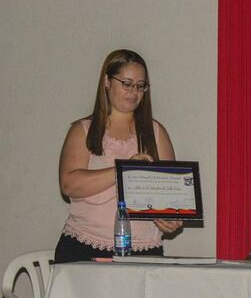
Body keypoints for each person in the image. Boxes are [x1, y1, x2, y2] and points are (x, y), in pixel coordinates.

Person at [54, 49, 182, 263]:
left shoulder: (156, 133)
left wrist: (172, 217)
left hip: (143, 250)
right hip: (85, 248)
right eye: (127, 83)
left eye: (141, 86)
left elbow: (172, 196)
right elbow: (69, 184)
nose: (134, 91)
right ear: (107, 81)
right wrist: (124, 170)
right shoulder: (83, 130)